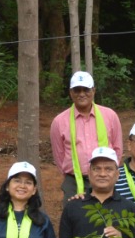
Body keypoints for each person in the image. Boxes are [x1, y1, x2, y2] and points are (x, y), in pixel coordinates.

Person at [49, 71, 123, 199]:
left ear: (93, 91)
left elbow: (118, 149)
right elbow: (59, 156)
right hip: (74, 182)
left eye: (86, 89)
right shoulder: (59, 121)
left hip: (105, 178)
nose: (82, 94)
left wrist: (107, 173)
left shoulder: (110, 116)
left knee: (106, 217)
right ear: (71, 92)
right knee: (74, 216)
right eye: (77, 90)